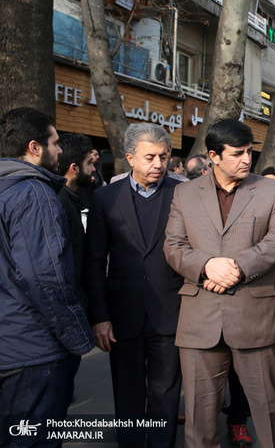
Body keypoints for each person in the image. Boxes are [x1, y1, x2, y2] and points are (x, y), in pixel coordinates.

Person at [163, 118, 275, 447]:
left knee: (268, 408)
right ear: (214, 156)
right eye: (237, 153)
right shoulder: (185, 193)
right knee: (200, 416)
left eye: (250, 152)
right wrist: (207, 266)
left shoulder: (269, 190)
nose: (247, 160)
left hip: (254, 314)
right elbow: (173, 246)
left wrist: (236, 266)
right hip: (200, 318)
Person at [84, 123, 184, 447]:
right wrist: (99, 316)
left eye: (164, 156)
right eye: (150, 157)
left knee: (165, 395)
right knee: (127, 394)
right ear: (130, 157)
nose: (158, 164)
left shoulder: (182, 194)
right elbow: (95, 261)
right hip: (122, 313)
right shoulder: (105, 198)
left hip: (170, 312)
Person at [0, 108, 94, 440]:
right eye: (54, 143)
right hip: (33, 351)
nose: (59, 150)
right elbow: (46, 276)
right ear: (34, 147)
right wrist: (78, 338)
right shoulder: (34, 194)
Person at [56, 132, 96, 310]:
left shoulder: (68, 200)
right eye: (89, 163)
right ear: (74, 168)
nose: (94, 169)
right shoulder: (59, 203)